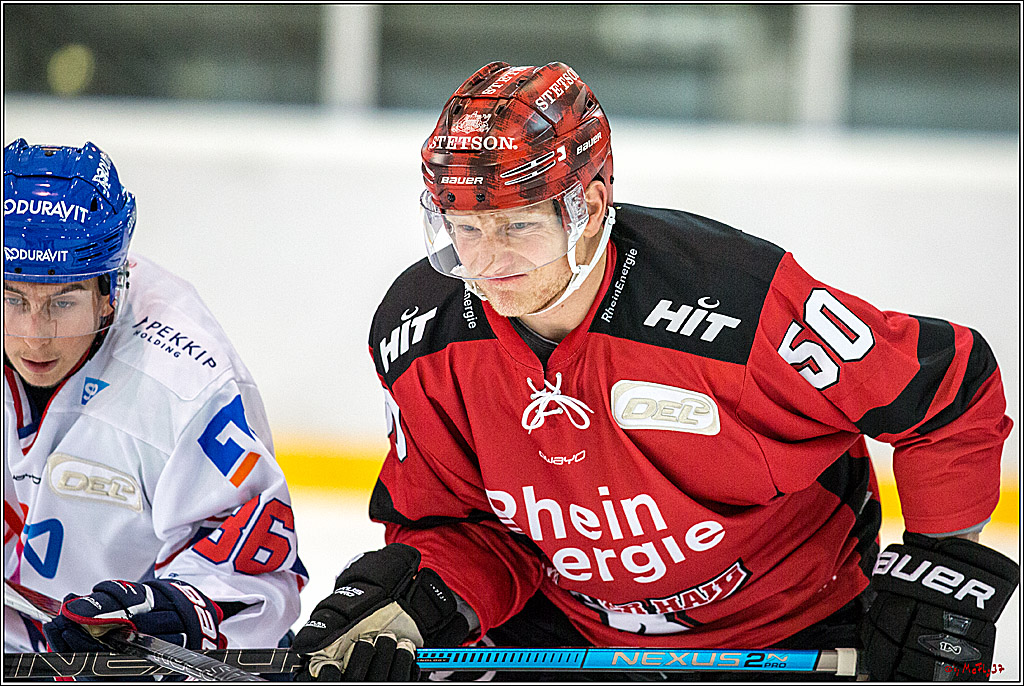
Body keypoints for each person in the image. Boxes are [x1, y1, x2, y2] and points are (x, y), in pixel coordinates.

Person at [291, 62, 1019, 681]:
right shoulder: (423, 337)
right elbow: (465, 526)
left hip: (792, 627)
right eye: (466, 227)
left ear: (592, 204)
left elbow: (949, 392)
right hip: (570, 634)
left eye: (518, 224)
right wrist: (418, 594)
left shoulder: (737, 306)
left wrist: (940, 572)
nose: (487, 261)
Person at [3, 139, 306, 657]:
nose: (35, 337)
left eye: (63, 302)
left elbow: (258, 574)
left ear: (108, 292)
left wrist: (173, 609)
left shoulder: (185, 380)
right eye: (11, 298)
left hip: (124, 659)